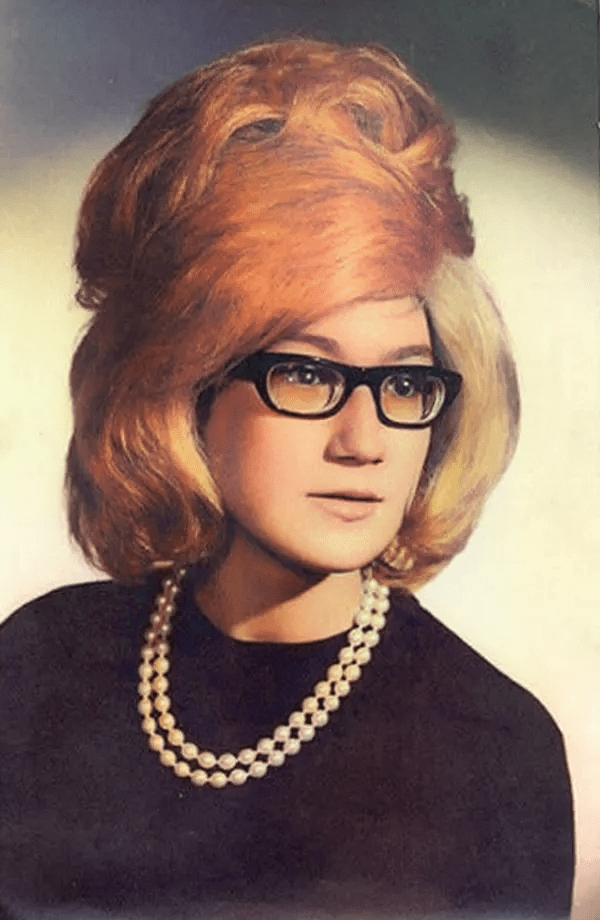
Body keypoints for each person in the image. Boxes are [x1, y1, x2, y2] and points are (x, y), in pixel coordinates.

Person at [0, 38, 573, 920]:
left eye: (404, 385)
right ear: (183, 389)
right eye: (306, 375)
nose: (364, 441)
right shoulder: (40, 666)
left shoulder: (495, 750)